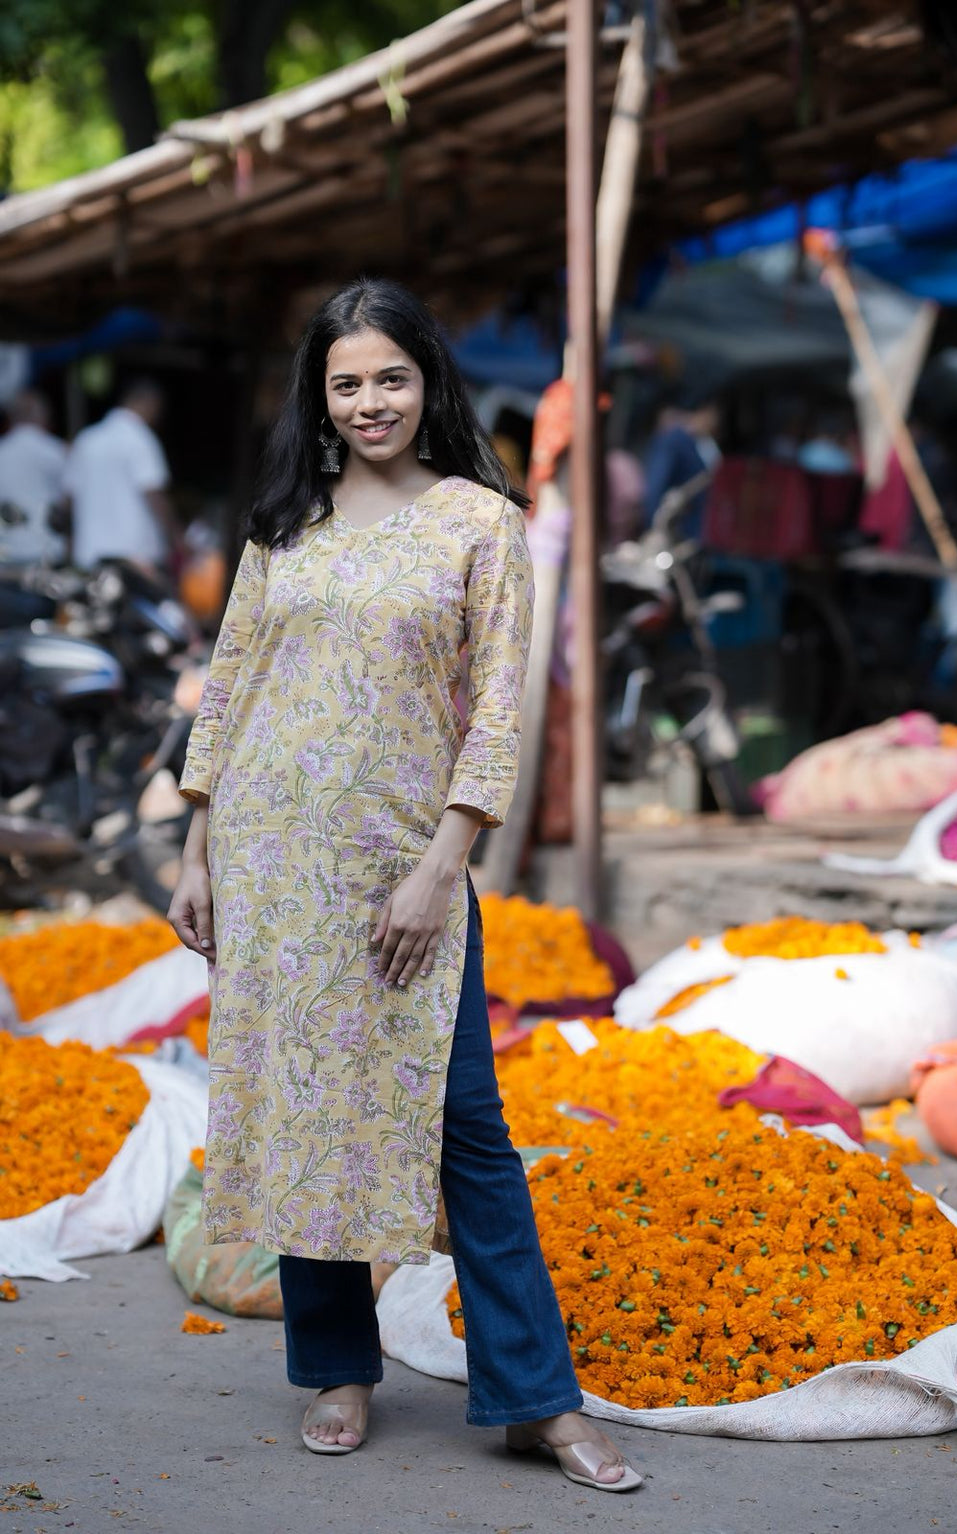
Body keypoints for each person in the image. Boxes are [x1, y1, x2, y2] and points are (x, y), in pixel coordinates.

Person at [167, 278, 641, 1492]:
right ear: (318, 400)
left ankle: (536, 1396)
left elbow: (498, 708)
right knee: (305, 1104)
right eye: (346, 381)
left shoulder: (480, 522)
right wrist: (196, 844)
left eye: (389, 376)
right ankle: (338, 1367)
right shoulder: (286, 523)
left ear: (426, 381)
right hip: (272, 863)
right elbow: (227, 685)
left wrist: (447, 860)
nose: (369, 400)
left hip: (402, 869)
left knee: (466, 1126)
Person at [63, 378, 178, 573]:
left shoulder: (86, 440)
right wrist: (176, 537)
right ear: (149, 403)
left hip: (88, 557)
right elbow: (154, 494)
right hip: (133, 561)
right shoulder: (141, 439)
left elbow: (67, 500)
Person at [0, 389, 67, 565]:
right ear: (42, 417)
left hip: (5, 551)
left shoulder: (3, 451)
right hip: (46, 549)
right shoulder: (55, 451)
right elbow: (69, 498)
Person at [643, 391, 720, 537]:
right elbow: (655, 485)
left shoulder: (701, 442)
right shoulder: (674, 441)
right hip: (678, 530)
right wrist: (654, 527)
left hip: (696, 529)